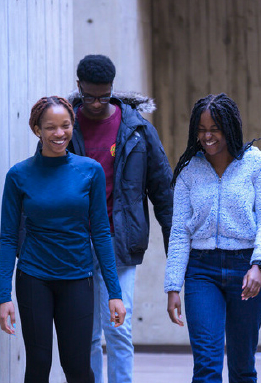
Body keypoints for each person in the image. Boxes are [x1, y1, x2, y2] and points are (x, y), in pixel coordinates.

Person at [0, 96, 126, 383]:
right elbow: (7, 238)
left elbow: (101, 234)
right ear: (37, 130)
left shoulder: (89, 171)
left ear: (72, 126)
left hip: (78, 278)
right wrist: (3, 296)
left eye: (65, 126)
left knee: (78, 367)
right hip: (33, 278)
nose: (59, 133)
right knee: (39, 364)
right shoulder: (18, 175)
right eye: (51, 127)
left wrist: (115, 293)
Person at [68, 54, 174, 383]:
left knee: (117, 329)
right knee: (83, 333)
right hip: (76, 245)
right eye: (89, 96)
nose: (97, 103)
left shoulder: (138, 130)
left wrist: (176, 258)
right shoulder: (64, 127)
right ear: (78, 88)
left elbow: (164, 194)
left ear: (113, 88)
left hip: (120, 244)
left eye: (104, 95)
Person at [165, 93, 261, 382]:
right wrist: (172, 286)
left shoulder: (256, 164)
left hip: (247, 268)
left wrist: (259, 263)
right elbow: (179, 232)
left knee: (242, 368)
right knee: (206, 367)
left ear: (230, 127)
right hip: (201, 271)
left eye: (214, 129)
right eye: (201, 130)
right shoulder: (189, 170)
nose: (207, 137)